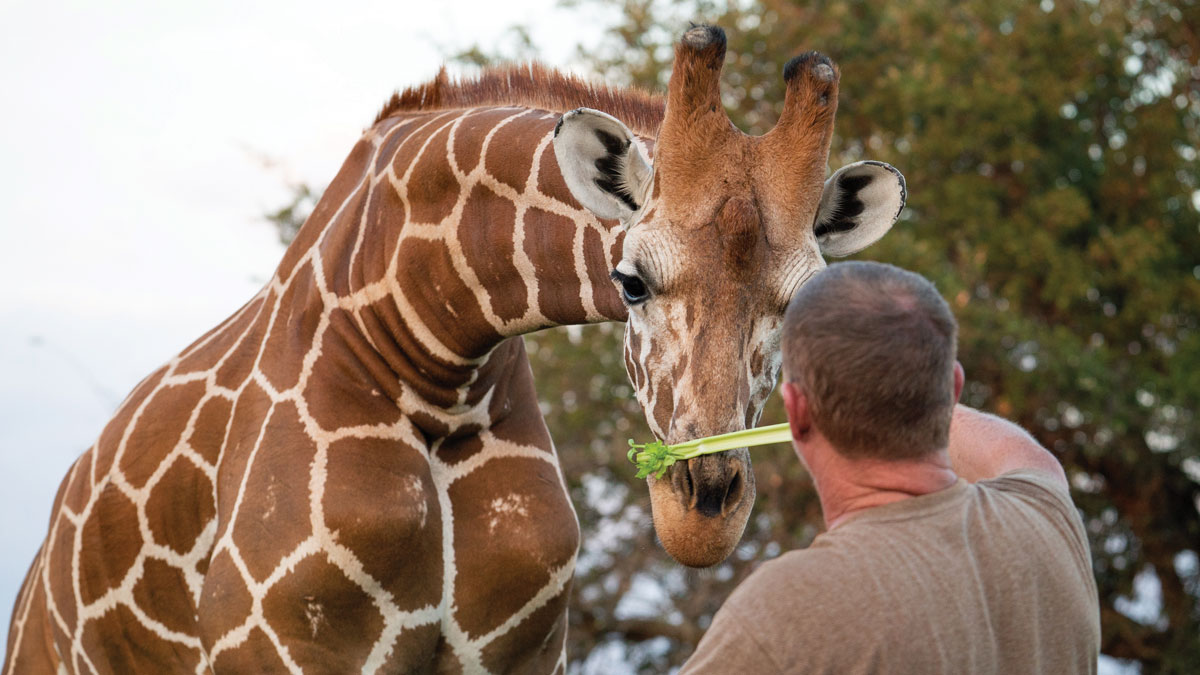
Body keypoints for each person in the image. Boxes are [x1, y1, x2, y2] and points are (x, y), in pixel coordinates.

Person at [681, 261, 1100, 674]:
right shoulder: (1048, 519)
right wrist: (913, 383)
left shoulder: (783, 612)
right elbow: (1023, 454)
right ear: (953, 389)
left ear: (796, 413)